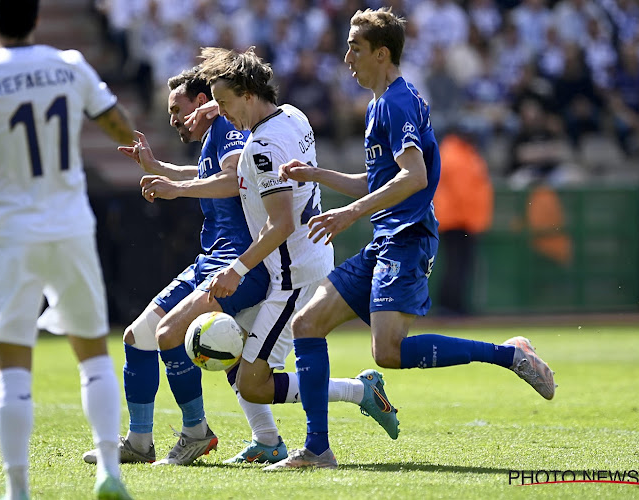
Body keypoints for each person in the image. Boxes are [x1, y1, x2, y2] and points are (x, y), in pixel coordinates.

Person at [271, 7, 556, 470]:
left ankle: (510, 355)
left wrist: (349, 214)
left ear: (381, 53)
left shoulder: (398, 102)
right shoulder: (380, 104)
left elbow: (413, 177)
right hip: (385, 239)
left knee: (388, 353)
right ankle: (318, 450)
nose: (346, 57)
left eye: (355, 48)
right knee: (307, 325)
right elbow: (380, 180)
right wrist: (317, 174)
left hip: (406, 238)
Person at [140, 47, 399, 463]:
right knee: (227, 352)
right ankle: (267, 439)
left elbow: (280, 224)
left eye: (223, 104)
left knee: (253, 383)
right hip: (301, 260)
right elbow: (243, 174)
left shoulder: (261, 145)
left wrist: (237, 270)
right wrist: (182, 176)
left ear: (246, 94)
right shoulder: (292, 115)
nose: (221, 113)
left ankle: (358, 392)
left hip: (293, 274)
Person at [0, 1, 136, 498]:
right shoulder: (69, 65)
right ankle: (109, 470)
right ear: (37, 18)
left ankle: (17, 489)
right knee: (94, 357)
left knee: (13, 370)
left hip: (13, 233)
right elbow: (118, 126)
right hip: (71, 227)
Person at [82, 66, 279, 467]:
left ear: (203, 102)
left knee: (172, 335)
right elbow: (205, 174)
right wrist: (159, 168)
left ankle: (195, 433)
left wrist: (177, 190)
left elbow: (233, 180)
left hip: (240, 265)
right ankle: (139, 441)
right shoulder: (212, 139)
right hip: (210, 261)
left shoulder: (227, 130)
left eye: (177, 108)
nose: (172, 119)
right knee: (138, 336)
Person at [433, 129, 493, 317]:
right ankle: (452, 306)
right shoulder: (457, 156)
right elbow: (464, 193)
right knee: (458, 264)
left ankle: (452, 305)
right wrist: (473, 221)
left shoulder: (457, 153)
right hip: (459, 220)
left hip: (456, 218)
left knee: (456, 264)